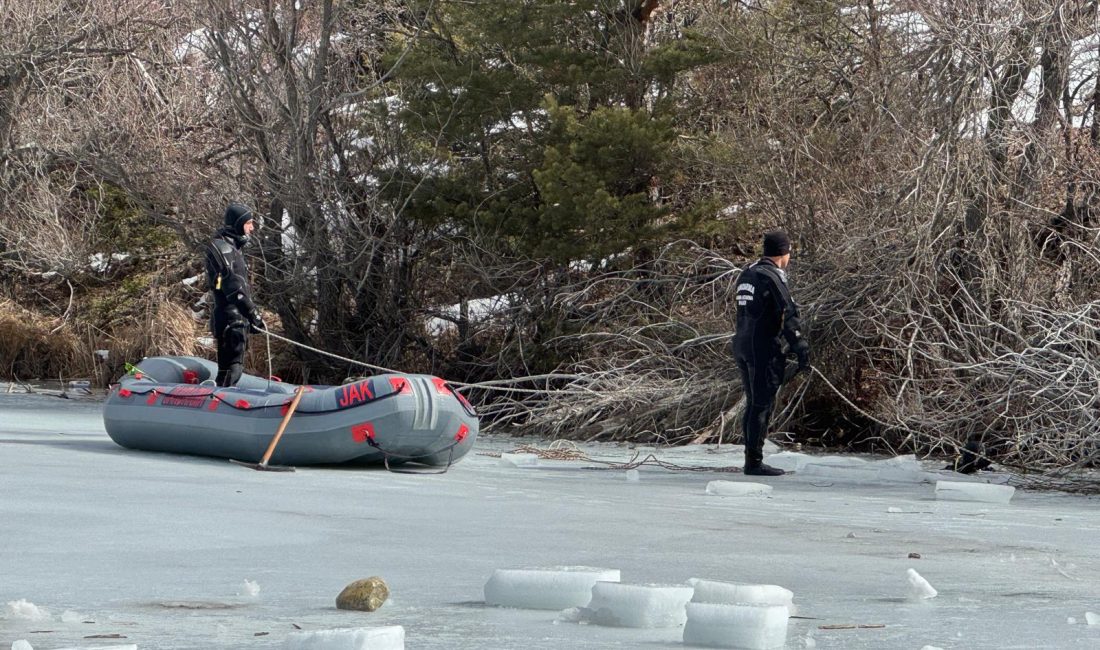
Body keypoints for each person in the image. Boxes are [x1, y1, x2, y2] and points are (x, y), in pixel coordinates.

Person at [732, 230, 810, 476]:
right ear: (784, 253)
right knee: (761, 405)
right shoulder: (772, 277)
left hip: (742, 345)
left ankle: (751, 459)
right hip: (761, 349)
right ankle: (753, 463)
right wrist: (801, 349)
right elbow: (789, 314)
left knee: (754, 404)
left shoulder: (748, 273)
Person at [204, 203, 266, 387]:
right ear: (239, 223)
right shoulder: (222, 248)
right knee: (233, 368)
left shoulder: (233, 247)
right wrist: (252, 314)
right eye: (249, 223)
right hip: (230, 319)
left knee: (232, 367)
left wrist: (250, 317)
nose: (252, 228)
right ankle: (217, 401)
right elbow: (233, 289)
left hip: (237, 318)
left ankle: (219, 396)